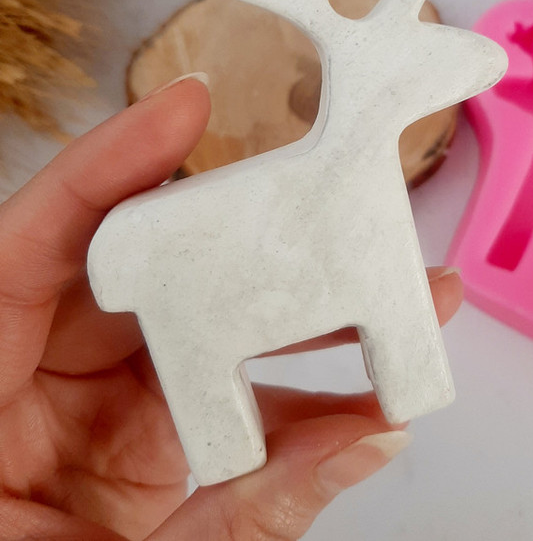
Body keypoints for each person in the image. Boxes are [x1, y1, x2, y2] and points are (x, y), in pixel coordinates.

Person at [0, 74, 464, 540]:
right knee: (204, 370)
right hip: (183, 272)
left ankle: (236, 436)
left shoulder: (364, 194)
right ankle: (225, 440)